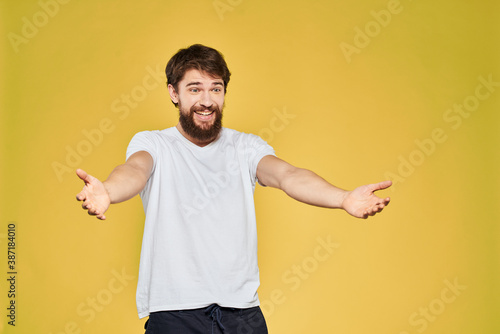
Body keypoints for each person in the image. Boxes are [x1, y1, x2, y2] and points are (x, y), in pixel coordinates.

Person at [76, 44, 391, 334]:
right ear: (174, 93)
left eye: (216, 88)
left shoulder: (246, 147)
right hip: (175, 315)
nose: (207, 100)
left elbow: (288, 175)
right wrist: (109, 191)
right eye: (195, 89)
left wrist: (343, 198)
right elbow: (135, 170)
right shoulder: (154, 144)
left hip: (243, 316)